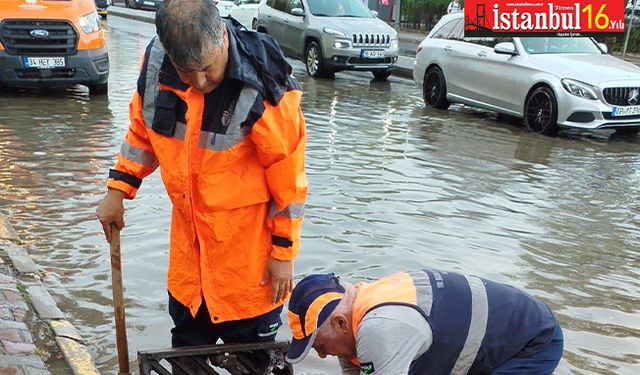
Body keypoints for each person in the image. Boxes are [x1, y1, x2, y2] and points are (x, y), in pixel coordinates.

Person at [95, 0, 307, 349]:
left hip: (249, 270)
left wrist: (283, 254)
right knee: (186, 359)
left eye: (207, 68)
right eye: (186, 71)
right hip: (189, 273)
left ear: (223, 37)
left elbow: (290, 182)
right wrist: (117, 190)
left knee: (257, 365)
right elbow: (143, 133)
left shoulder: (266, 83)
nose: (198, 81)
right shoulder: (158, 67)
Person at [286, 270, 564, 375]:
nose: (322, 355)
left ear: (339, 323)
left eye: (319, 345)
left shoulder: (379, 329)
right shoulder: (355, 315)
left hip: (531, 342)